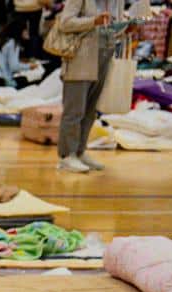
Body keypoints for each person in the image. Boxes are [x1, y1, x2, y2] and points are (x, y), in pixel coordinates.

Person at [52, 0, 124, 173]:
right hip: (80, 56)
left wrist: (125, 29)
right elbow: (65, 22)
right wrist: (93, 21)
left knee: (90, 109)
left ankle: (80, 151)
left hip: (105, 55)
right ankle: (66, 156)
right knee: (74, 109)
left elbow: (114, 27)